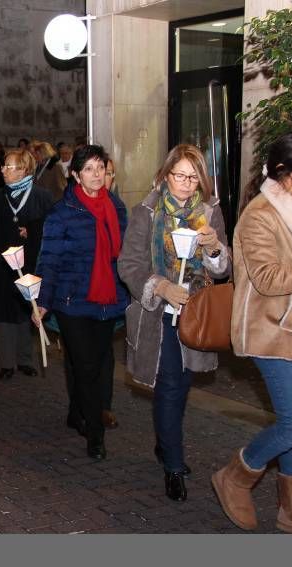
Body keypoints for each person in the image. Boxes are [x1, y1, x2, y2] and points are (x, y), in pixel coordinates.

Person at [212, 133, 292, 533]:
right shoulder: (259, 216)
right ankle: (236, 475)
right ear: (282, 172)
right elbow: (268, 278)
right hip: (274, 331)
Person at [118, 144, 229, 500]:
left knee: (180, 387)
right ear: (166, 175)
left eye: (193, 177)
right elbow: (129, 265)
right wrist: (162, 287)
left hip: (196, 315)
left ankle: (165, 443)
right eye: (180, 175)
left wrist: (213, 249)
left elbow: (224, 268)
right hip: (158, 316)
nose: (186, 184)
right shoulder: (146, 212)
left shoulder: (210, 213)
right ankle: (173, 465)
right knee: (167, 385)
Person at [35, 145, 128, 460]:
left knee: (96, 362)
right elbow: (48, 260)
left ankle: (77, 412)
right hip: (72, 301)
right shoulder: (62, 212)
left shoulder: (117, 208)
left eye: (100, 167)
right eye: (88, 168)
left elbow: (126, 258)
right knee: (87, 367)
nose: (96, 174)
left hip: (107, 300)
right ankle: (95, 434)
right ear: (75, 175)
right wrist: (42, 301)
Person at [0, 149, 52, 380]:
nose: (3, 170)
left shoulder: (41, 196)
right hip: (2, 264)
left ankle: (25, 359)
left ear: (24, 170)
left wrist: (32, 230)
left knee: (27, 311)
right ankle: (6, 363)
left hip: (31, 261)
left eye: (9, 167)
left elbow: (51, 229)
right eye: (3, 166)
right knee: (4, 314)